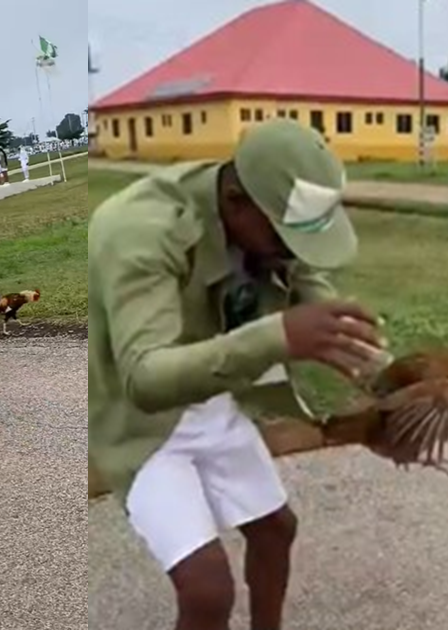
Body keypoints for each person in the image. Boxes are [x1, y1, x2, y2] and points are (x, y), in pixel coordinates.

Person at [90, 119, 387, 630]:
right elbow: (146, 379)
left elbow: (303, 277)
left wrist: (384, 371)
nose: (290, 252)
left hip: (211, 397)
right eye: (284, 237)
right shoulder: (142, 232)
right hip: (142, 422)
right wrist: (279, 335)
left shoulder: (259, 218)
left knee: (276, 530)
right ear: (234, 201)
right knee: (208, 591)